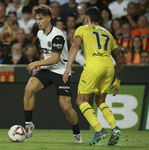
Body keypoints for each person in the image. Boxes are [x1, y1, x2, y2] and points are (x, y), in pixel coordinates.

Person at [63, 6, 123, 146]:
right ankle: (114, 127)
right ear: (100, 20)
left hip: (93, 66)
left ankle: (99, 130)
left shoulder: (82, 29)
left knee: (81, 100)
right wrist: (118, 81)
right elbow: (119, 60)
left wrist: (68, 67)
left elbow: (74, 47)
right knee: (100, 101)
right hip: (109, 67)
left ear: (87, 19)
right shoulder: (108, 33)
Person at [24, 4, 82, 143]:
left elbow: (56, 58)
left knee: (66, 107)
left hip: (61, 72)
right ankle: (28, 124)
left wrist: (36, 63)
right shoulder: (39, 33)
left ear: (49, 18)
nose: (38, 22)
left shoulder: (57, 35)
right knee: (28, 90)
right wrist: (41, 66)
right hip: (48, 70)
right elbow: (49, 56)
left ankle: (77, 135)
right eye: (37, 19)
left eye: (41, 19)